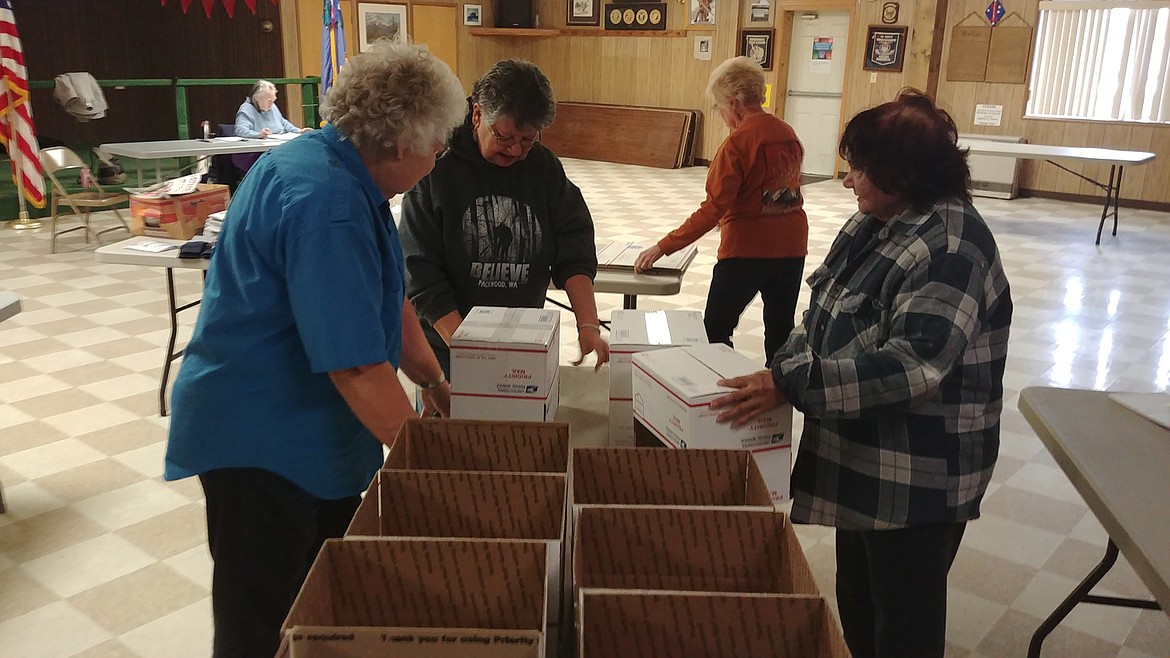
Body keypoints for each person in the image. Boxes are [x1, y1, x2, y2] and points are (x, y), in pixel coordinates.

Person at [164, 43, 466, 658]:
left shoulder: (343, 170)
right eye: (439, 142)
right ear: (402, 140)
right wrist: (431, 461)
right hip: (263, 443)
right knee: (265, 622)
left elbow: (388, 298)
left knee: (322, 608)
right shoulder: (327, 203)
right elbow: (354, 363)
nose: (440, 155)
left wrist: (435, 383)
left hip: (309, 438)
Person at [710, 89, 1013, 658]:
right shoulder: (874, 222)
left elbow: (913, 367)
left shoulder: (952, 246)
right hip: (862, 458)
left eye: (860, 169)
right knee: (858, 603)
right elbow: (819, 313)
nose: (848, 180)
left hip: (918, 475)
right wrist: (785, 365)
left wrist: (791, 382)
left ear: (903, 175)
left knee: (902, 623)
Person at [399, 59, 609, 376]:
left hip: (523, 340)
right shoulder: (436, 164)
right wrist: (471, 351)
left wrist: (588, 325)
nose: (514, 151)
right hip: (447, 347)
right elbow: (420, 273)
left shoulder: (544, 168)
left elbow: (575, 249)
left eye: (527, 140)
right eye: (504, 137)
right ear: (478, 114)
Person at [635, 56, 807, 366]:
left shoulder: (737, 143)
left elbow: (713, 209)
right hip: (793, 247)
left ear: (735, 102)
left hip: (747, 250)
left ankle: (715, 398)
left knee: (715, 329)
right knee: (780, 330)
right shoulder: (788, 132)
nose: (721, 115)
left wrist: (663, 246)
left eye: (719, 108)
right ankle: (777, 400)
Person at [233, 79, 311, 139]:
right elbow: (240, 130)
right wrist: (258, 134)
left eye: (273, 100)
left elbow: (283, 122)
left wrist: (299, 131)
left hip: (278, 142)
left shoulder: (271, 106)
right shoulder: (247, 109)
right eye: (269, 101)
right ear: (257, 99)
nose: (272, 104)